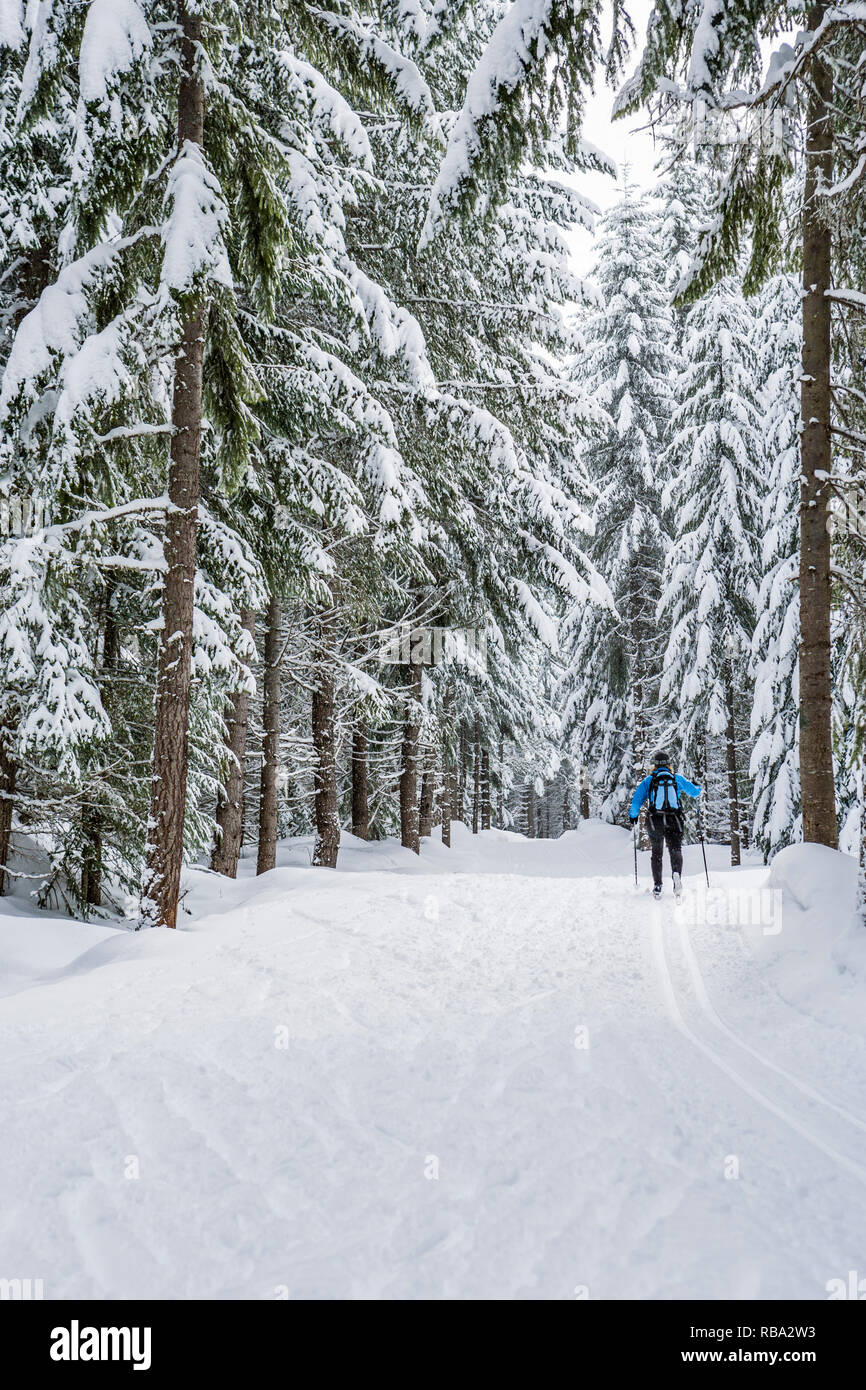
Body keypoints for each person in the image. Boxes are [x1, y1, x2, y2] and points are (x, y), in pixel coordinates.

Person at [629, 751, 701, 899]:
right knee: (675, 849)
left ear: (654, 765)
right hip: (675, 819)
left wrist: (633, 816)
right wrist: (697, 787)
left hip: (655, 820)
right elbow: (694, 793)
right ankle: (676, 875)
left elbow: (636, 801)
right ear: (668, 764)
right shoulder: (676, 778)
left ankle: (657, 885)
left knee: (657, 853)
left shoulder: (649, 781)